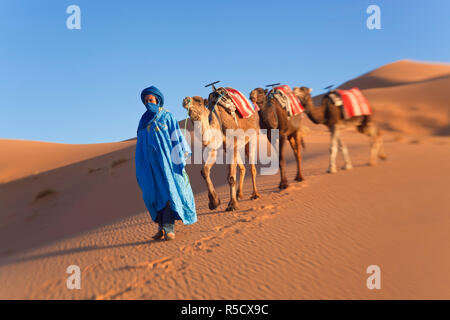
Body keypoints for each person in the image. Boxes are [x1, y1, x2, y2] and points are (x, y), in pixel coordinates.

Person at [135, 85, 196, 241]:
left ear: (157, 100)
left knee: (168, 191)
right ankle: (161, 228)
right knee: (153, 194)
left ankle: (169, 228)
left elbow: (176, 136)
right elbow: (140, 144)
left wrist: (181, 152)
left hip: (167, 162)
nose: (148, 102)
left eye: (151, 100)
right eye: (146, 100)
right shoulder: (143, 121)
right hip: (150, 166)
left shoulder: (167, 116)